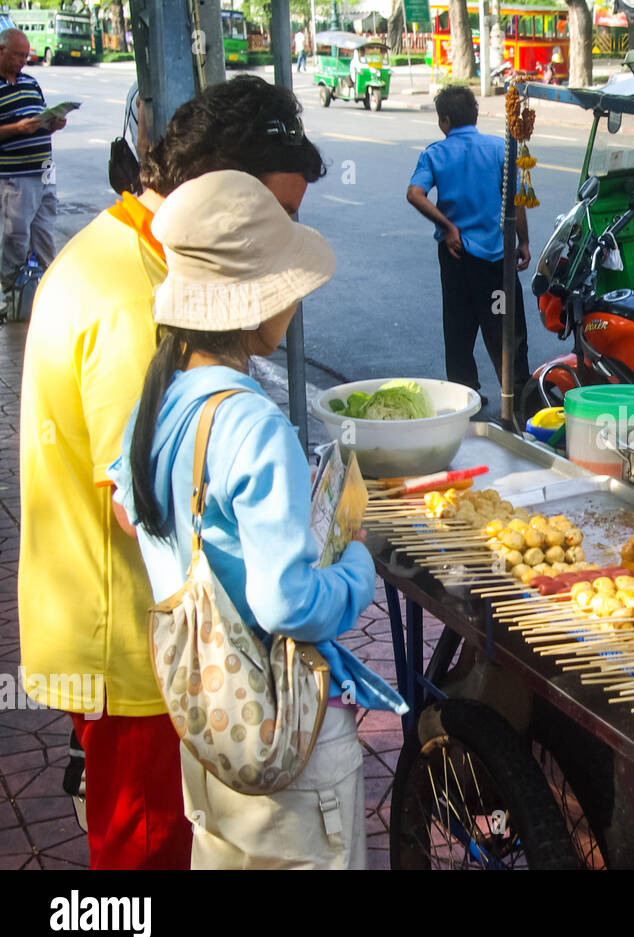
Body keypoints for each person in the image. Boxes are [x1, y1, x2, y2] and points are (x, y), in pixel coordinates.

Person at [18, 75, 327, 870]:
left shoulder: (140, 256)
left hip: (152, 642)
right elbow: (150, 500)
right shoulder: (133, 295)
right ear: (221, 202)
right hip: (143, 655)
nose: (285, 240)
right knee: (145, 863)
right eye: (278, 217)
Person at [109, 170, 406, 869]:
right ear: (251, 305)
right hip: (286, 745)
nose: (295, 304)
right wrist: (358, 559)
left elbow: (135, 514)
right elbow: (290, 603)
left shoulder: (158, 400)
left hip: (210, 728)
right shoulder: (252, 423)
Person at [406, 85, 531, 405]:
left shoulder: (434, 153)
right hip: (497, 258)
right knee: (506, 324)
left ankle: (466, 398)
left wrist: (447, 227)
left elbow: (414, 194)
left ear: (445, 121)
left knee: (459, 327)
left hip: (456, 255)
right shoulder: (500, 149)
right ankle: (516, 397)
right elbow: (517, 200)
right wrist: (524, 241)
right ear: (475, 115)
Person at [0, 27, 67, 321]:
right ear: (1, 51)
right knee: (15, 237)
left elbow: (39, 117)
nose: (23, 61)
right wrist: (17, 129)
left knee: (44, 233)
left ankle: (42, 294)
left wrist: (50, 124)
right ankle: (13, 295)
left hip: (44, 171)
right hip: (15, 177)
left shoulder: (30, 81)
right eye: (18, 55)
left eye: (26, 55)